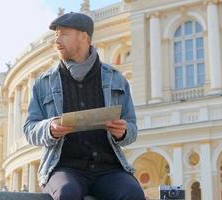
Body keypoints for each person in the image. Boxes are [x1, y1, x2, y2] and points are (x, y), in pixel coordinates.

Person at [23, 12, 145, 200]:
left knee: (133, 193)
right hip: (64, 168)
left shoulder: (116, 78)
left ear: (84, 36)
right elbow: (29, 129)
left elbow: (132, 128)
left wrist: (123, 131)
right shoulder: (43, 82)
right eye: (56, 35)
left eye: (63, 34)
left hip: (109, 170)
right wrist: (49, 129)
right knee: (66, 193)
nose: (57, 40)